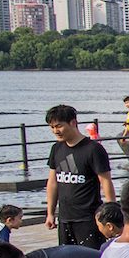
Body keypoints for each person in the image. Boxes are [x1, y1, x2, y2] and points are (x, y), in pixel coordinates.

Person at [45, 104, 115, 250]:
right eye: (52, 127)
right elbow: (52, 183)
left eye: (59, 126)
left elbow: (105, 181)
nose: (55, 131)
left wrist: (111, 212)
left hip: (88, 218)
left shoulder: (93, 149)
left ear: (73, 123)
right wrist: (50, 213)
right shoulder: (56, 148)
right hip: (65, 218)